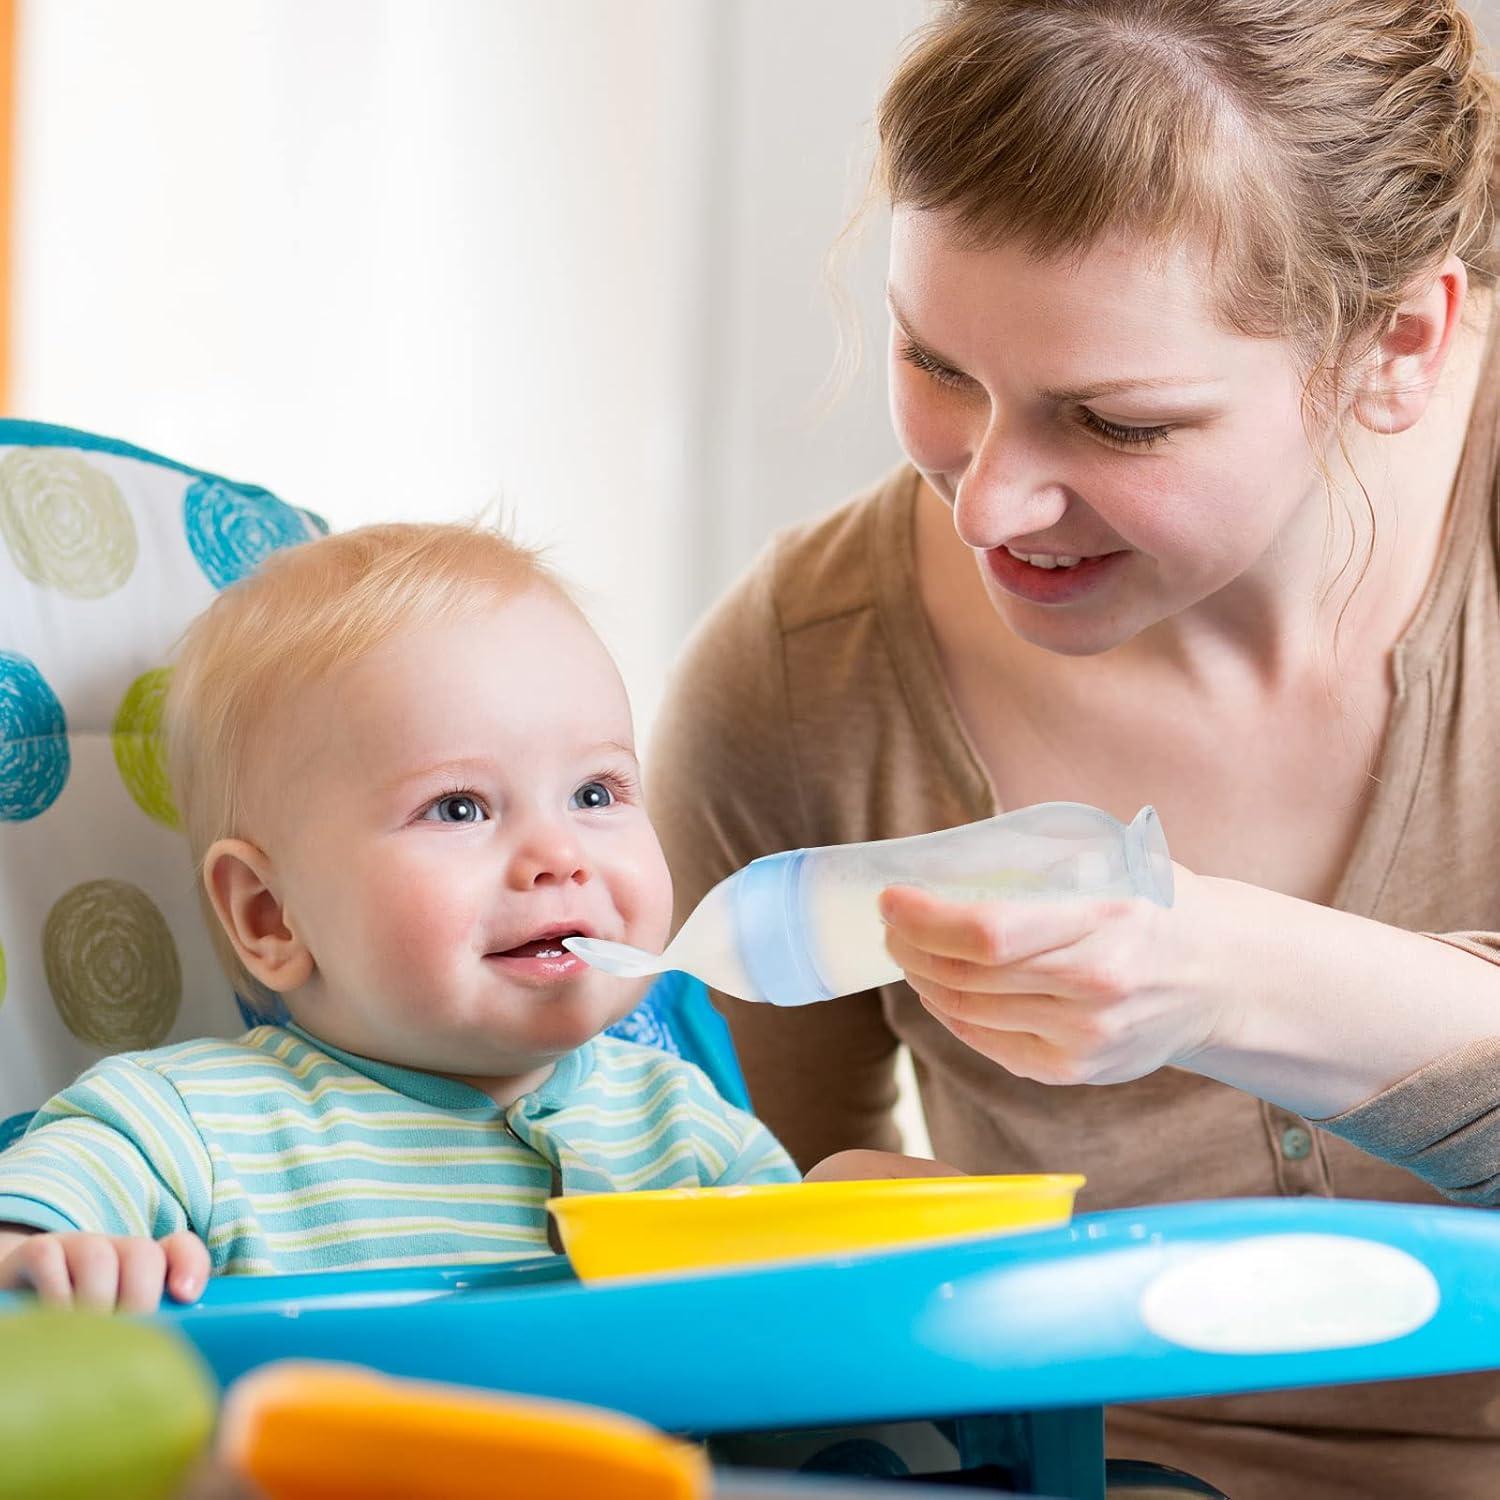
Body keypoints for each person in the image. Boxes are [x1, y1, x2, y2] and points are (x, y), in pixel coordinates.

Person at [646, 3, 1500, 1495]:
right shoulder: (800, 678)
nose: (984, 507)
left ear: (1400, 342)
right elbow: (750, 1292)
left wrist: (1221, 972)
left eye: (1113, 423)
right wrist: (849, 1254)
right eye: (937, 366)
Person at [0, 522, 798, 1313]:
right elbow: (26, 1227)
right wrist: (51, 1260)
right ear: (272, 915)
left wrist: (858, 1209)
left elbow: (805, 1312)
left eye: (595, 793)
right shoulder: (190, 1127)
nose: (560, 853)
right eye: (458, 807)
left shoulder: (685, 1126)